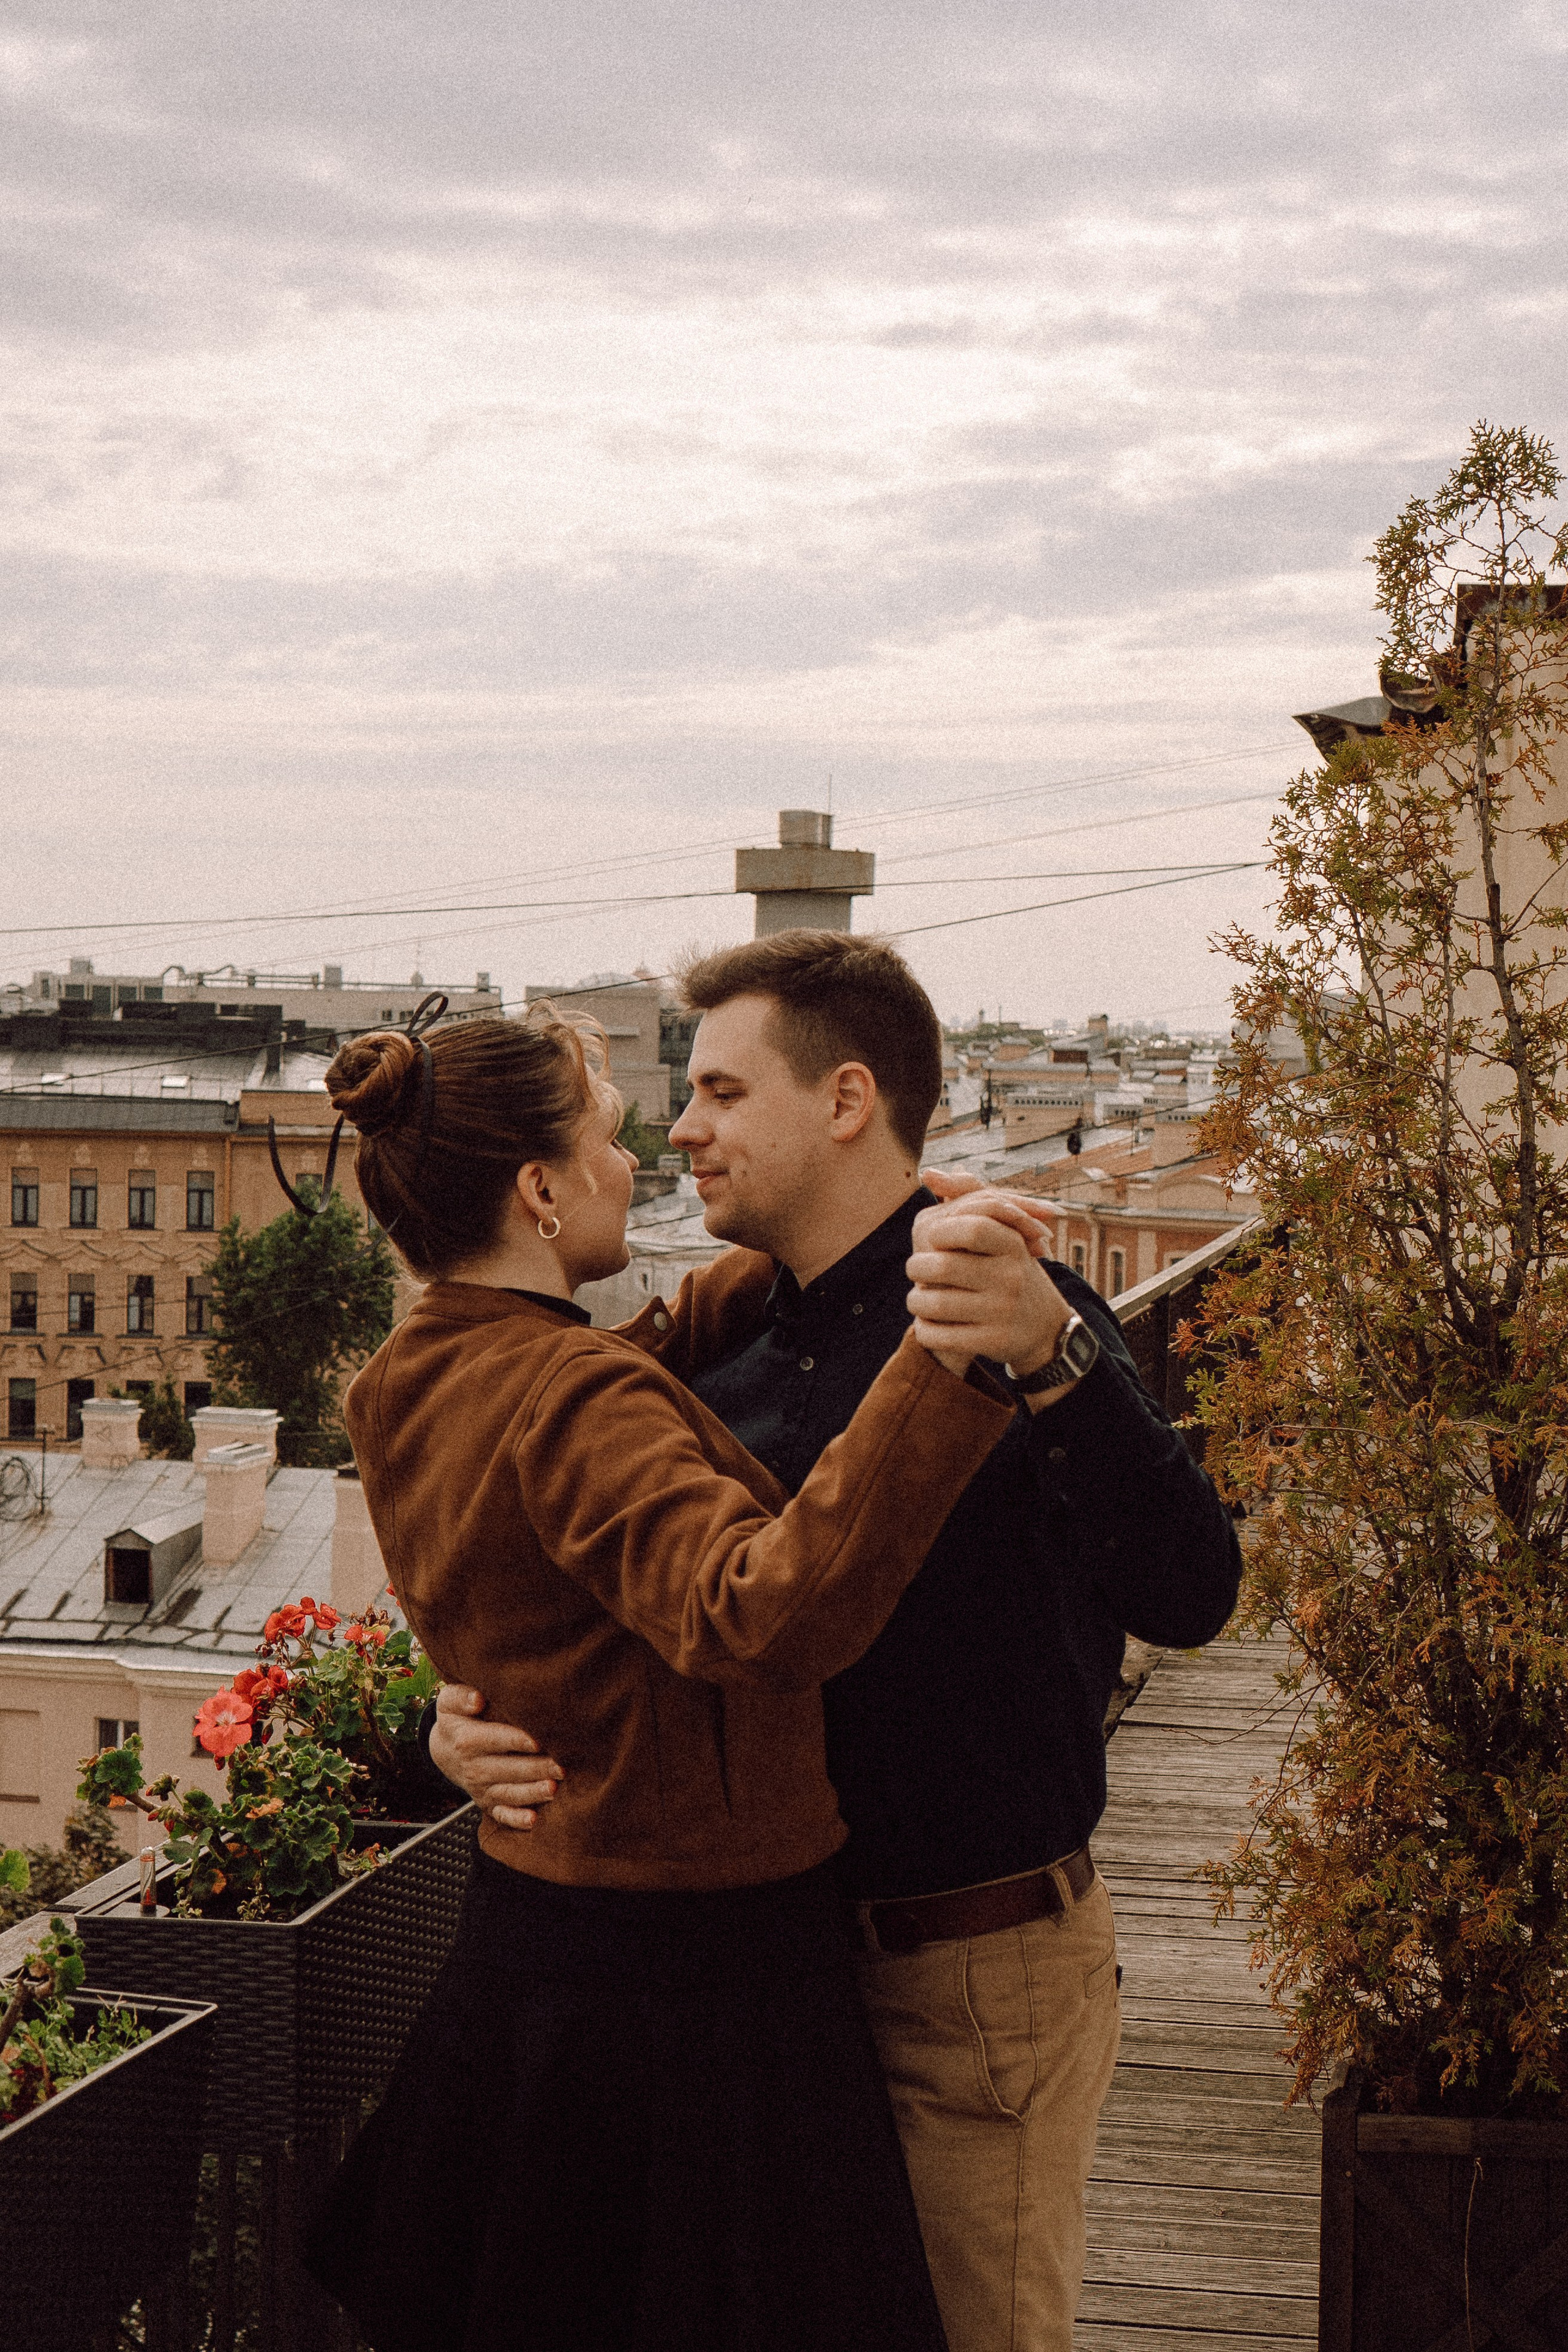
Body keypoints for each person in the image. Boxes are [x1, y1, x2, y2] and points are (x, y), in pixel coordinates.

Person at [431, 932, 1242, 2352]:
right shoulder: (721, 1343)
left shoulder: (996, 1302)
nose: (683, 1130)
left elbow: (1190, 1594)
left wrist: (1058, 1358)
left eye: (723, 1094)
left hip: (964, 1981)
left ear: (847, 1100)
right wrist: (446, 1721)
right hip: (757, 1995)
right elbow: (553, 1556)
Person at [304, 1002, 1020, 2352]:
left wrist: (859, 1224)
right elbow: (762, 1617)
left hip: (530, 1950)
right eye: (607, 1141)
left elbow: (618, 1374)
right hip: (701, 1986)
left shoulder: (407, 1376)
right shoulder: (568, 1398)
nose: (637, 1165)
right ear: (539, 1188)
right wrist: (945, 1361)